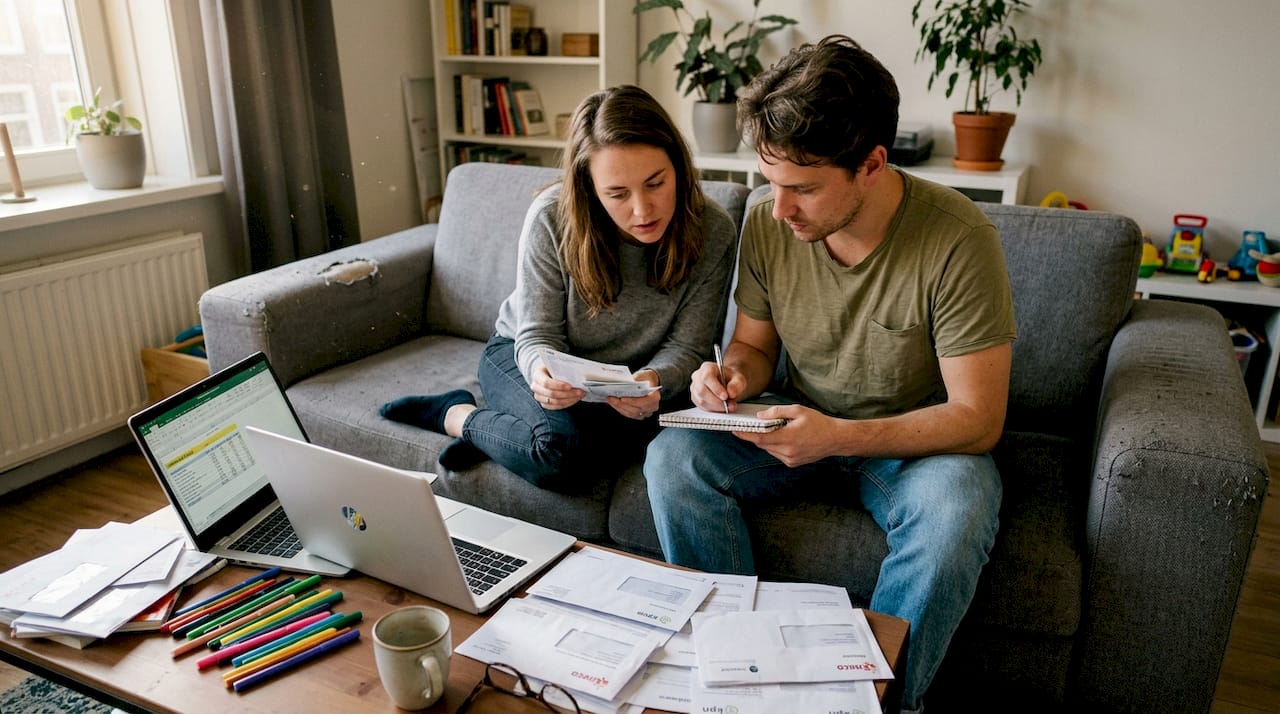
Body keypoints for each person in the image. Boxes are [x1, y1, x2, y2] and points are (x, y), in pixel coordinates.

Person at [643, 35, 1016, 711]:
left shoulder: (958, 239)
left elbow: (978, 418)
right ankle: (738, 675)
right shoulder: (767, 220)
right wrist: (729, 379)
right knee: (675, 461)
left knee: (956, 514)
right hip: (798, 413)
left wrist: (835, 436)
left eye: (803, 189)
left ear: (872, 164)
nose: (779, 209)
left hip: (917, 442)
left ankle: (875, 703)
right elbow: (755, 349)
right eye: (770, 182)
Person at [382, 85, 738, 492]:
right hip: (523, 355)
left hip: (630, 381)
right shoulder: (552, 218)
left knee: (662, 445)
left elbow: (690, 347)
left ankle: (507, 439)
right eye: (617, 194)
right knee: (560, 457)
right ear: (589, 187)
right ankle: (457, 415)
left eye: (656, 183)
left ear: (678, 166)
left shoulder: (713, 230)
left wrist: (654, 380)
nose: (642, 210)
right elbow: (537, 335)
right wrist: (542, 374)